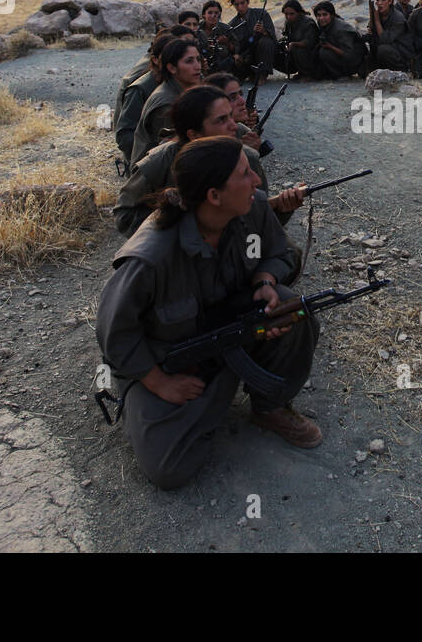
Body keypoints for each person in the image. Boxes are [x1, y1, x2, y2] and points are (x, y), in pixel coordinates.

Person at [96, 136, 321, 490]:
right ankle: (195, 396)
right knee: (169, 469)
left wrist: (265, 279)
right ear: (214, 196)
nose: (258, 181)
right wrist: (159, 382)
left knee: (293, 310)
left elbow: (280, 252)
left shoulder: (253, 209)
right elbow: (115, 335)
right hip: (173, 355)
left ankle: (270, 407)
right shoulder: (151, 257)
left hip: (230, 325)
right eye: (245, 174)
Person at [116, 85, 300, 238]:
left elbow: (258, 224)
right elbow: (125, 215)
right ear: (194, 134)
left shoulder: (246, 158)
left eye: (230, 115)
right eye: (221, 120)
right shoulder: (159, 162)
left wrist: (282, 209)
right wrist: (177, 224)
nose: (234, 126)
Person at [130, 38, 202, 165]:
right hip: (157, 172)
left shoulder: (186, 88)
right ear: (172, 68)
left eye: (198, 59)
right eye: (189, 61)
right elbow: (171, 150)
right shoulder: (166, 104)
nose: (197, 66)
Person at [116, 32, 176, 167]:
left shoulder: (177, 83)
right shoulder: (140, 89)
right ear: (155, 59)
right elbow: (124, 136)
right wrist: (149, 158)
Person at [225, 0, 277, 87]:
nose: (240, 7)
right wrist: (236, 54)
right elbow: (236, 45)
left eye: (242, 3)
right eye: (236, 4)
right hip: (247, 56)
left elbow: (273, 37)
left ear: (248, 2)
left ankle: (263, 75)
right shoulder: (233, 24)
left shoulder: (261, 14)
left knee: (266, 42)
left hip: (264, 53)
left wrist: (263, 31)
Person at [312, 1, 365, 80]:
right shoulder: (324, 23)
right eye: (318, 15)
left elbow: (348, 54)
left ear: (332, 15)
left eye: (325, 15)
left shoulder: (341, 29)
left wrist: (330, 46)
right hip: (342, 55)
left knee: (324, 52)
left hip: (356, 60)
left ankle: (342, 75)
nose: (321, 18)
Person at [369, 0, 413, 72]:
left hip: (401, 52)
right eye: (377, 0)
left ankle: (401, 70)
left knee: (383, 49)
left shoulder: (398, 18)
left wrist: (377, 21)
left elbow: (385, 40)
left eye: (383, 0)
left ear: (390, 2)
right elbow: (371, 29)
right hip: (390, 49)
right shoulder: (379, 14)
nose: (379, 3)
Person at [275, 0, 320, 79]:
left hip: (311, 54)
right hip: (295, 53)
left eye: (292, 14)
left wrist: (294, 44)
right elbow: (287, 36)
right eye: (286, 14)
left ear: (299, 12)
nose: (288, 17)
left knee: (298, 49)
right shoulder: (289, 23)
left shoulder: (308, 23)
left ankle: (308, 74)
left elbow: (310, 42)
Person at [200, 0, 234, 73]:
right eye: (210, 13)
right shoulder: (197, 27)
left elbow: (235, 49)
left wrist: (227, 42)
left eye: (216, 13)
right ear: (203, 15)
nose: (213, 16)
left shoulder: (226, 29)